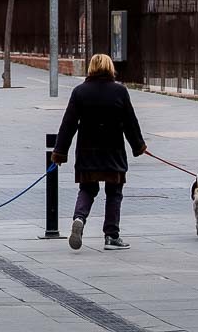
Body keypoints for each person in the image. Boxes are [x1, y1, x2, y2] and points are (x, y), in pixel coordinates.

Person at [52, 53, 146, 251]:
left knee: (87, 189)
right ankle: (111, 236)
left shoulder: (79, 92)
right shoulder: (119, 91)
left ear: (91, 68)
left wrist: (59, 153)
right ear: (110, 67)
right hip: (113, 151)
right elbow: (130, 122)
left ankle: (79, 218)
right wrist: (138, 146)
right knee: (114, 192)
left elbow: (68, 124)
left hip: (87, 151)